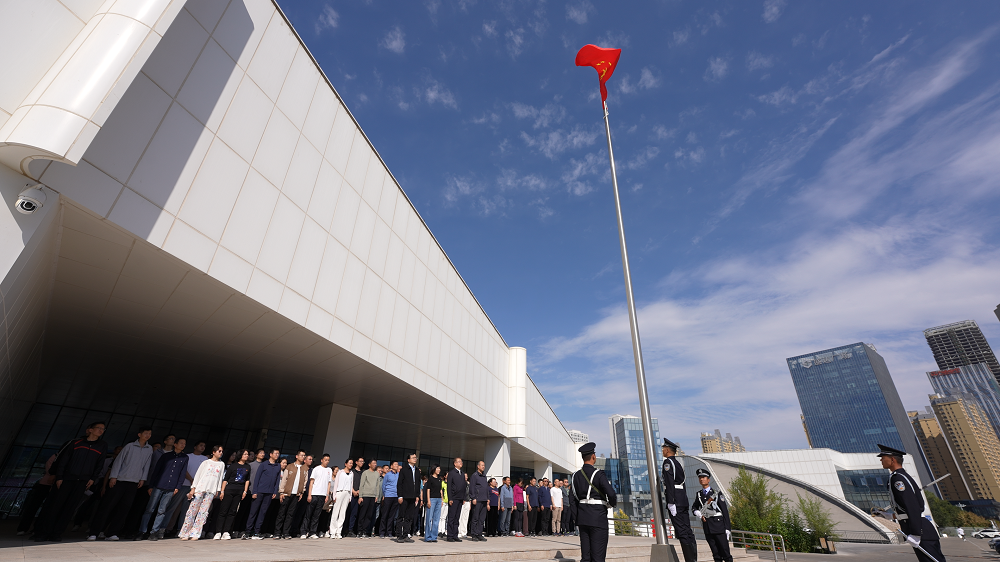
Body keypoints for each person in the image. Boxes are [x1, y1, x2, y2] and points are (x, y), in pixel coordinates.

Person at [33, 421, 109, 542]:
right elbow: (63, 460)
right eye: (98, 428)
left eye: (103, 429)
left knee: (69, 508)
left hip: (83, 481)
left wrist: (93, 478)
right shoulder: (75, 443)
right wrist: (59, 477)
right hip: (67, 479)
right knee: (55, 506)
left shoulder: (102, 445)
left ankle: (56, 533)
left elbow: (99, 463)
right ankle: (43, 532)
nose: (101, 430)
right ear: (90, 430)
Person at [879, 443, 946, 562]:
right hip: (920, 529)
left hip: (921, 531)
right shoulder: (900, 476)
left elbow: (912, 505)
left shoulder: (898, 479)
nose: (881, 460)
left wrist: (916, 533)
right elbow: (907, 507)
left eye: (883, 458)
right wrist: (891, 516)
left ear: (892, 459)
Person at [87, 427, 153, 541]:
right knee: (107, 506)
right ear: (139, 434)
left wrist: (143, 479)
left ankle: (112, 533)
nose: (148, 435)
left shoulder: (149, 449)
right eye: (146, 433)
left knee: (124, 509)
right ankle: (94, 532)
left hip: (134, 483)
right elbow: (119, 461)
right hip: (119, 480)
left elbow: (147, 465)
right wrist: (113, 477)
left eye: (150, 434)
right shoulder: (130, 446)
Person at [569, 442, 617, 562]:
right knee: (598, 557)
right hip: (598, 518)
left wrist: (577, 518)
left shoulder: (575, 476)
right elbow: (611, 493)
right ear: (593, 457)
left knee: (586, 557)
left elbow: (572, 500)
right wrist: (611, 503)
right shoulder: (599, 474)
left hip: (583, 519)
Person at [139, 437, 188, 541]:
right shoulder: (166, 456)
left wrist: (177, 487)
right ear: (175, 444)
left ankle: (154, 532)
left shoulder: (184, 457)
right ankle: (142, 531)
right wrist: (151, 485)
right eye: (181, 443)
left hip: (171, 488)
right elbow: (156, 471)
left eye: (184, 444)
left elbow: (182, 473)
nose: (183, 445)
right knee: (149, 509)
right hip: (158, 485)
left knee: (162, 511)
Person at [178, 445, 225, 540]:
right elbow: (198, 475)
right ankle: (185, 532)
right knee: (192, 510)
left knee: (203, 512)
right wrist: (193, 488)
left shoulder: (221, 464)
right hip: (200, 488)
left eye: (221, 451)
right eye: (219, 451)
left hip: (211, 490)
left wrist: (218, 490)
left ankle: (195, 533)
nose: (221, 453)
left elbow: (220, 478)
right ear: (213, 452)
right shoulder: (206, 462)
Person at [663, 438, 697, 562]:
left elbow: (669, 482)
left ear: (667, 450)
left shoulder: (667, 463)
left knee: (682, 532)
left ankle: (690, 560)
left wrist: (670, 501)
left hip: (675, 501)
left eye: (663, 449)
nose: (662, 451)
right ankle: (693, 558)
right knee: (688, 531)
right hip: (682, 499)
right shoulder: (678, 463)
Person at [166, 440, 207, 536]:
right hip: (184, 484)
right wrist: (192, 480)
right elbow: (184, 470)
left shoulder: (205, 459)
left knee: (187, 509)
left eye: (204, 446)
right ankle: (167, 528)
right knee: (174, 507)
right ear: (195, 447)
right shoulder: (187, 456)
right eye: (201, 445)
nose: (202, 447)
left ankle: (181, 529)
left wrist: (196, 483)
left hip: (196, 488)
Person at [691, 468, 733, 562]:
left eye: (704, 477)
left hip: (719, 527)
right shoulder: (699, 494)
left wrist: (727, 528)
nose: (702, 479)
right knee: (716, 554)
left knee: (725, 553)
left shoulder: (716, 493)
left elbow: (724, 511)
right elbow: (694, 507)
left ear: (708, 479)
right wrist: (697, 512)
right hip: (707, 527)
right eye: (700, 478)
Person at [214, 449, 251, 540]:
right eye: (245, 454)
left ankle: (226, 531)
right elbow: (225, 479)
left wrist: (245, 491)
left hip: (239, 491)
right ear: (240, 455)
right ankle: (218, 531)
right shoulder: (233, 466)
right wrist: (222, 491)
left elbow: (247, 480)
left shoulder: (248, 467)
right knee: (223, 511)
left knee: (232, 511)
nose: (247, 456)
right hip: (229, 489)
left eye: (247, 454)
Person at [16, 453, 56, 536]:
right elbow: (49, 470)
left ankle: (37, 528)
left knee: (46, 509)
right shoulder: (55, 456)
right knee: (33, 506)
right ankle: (23, 528)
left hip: (54, 485)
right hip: (45, 484)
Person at [245, 448, 281, 540]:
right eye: (275, 453)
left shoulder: (278, 466)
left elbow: (277, 480)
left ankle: (257, 532)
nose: (277, 455)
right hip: (259, 491)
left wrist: (274, 491)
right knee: (253, 511)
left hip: (269, 493)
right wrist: (255, 491)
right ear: (271, 454)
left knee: (262, 512)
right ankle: (247, 531)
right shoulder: (264, 465)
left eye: (278, 454)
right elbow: (257, 478)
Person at [273, 449, 308, 540]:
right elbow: (284, 479)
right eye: (301, 455)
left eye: (304, 455)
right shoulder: (290, 466)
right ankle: (277, 532)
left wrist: (302, 492)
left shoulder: (305, 468)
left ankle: (286, 532)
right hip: (286, 493)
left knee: (290, 514)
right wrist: (281, 492)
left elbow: (305, 481)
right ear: (296, 456)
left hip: (296, 495)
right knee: (282, 513)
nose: (303, 457)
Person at [303, 454, 333, 539]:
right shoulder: (316, 469)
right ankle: (304, 531)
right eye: (325, 460)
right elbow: (311, 482)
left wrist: (327, 495)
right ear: (321, 460)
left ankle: (313, 532)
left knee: (317, 515)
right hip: (314, 494)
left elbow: (329, 483)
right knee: (308, 514)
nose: (327, 461)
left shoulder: (329, 470)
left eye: (328, 460)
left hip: (323, 495)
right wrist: (309, 494)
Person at [395, 452, 422, 543]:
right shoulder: (404, 470)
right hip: (404, 496)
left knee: (409, 517)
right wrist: (400, 496)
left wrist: (417, 495)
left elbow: (418, 484)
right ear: (408, 460)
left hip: (413, 497)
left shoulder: (417, 470)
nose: (415, 459)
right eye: (413, 457)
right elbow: (400, 484)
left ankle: (406, 535)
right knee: (401, 516)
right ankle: (399, 535)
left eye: (416, 457)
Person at [330, 458, 354, 539]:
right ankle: (332, 531)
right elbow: (336, 483)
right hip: (339, 492)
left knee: (343, 513)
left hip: (347, 493)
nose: (351, 464)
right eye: (350, 463)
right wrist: (334, 495)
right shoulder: (340, 472)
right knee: (335, 512)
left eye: (352, 463)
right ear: (345, 464)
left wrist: (350, 496)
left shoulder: (351, 473)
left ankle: (338, 531)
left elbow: (351, 485)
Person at [358, 459, 381, 538]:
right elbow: (362, 484)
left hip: (373, 496)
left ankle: (365, 530)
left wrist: (377, 496)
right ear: (369, 464)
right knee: (362, 514)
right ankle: (359, 531)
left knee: (369, 515)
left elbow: (377, 486)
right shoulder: (365, 473)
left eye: (376, 463)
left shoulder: (377, 474)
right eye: (373, 463)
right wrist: (360, 496)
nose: (375, 464)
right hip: (365, 495)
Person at [446, 457, 466, 542]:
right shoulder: (451, 473)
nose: (460, 463)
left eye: (461, 461)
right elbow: (449, 487)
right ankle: (450, 535)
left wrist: (464, 497)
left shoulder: (462, 473)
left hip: (460, 498)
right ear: (455, 464)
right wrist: (450, 498)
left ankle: (455, 535)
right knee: (451, 517)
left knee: (457, 517)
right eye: (459, 462)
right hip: (453, 498)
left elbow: (464, 487)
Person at [468, 460, 489, 541]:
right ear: (478, 466)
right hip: (477, 500)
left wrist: (488, 498)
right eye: (482, 465)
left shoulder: (484, 476)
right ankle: (473, 534)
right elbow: (472, 487)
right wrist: (473, 498)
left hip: (484, 500)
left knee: (482, 518)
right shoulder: (475, 475)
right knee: (475, 517)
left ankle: (479, 533)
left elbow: (486, 488)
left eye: (484, 465)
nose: (483, 467)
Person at [379, 461, 399, 538]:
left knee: (392, 515)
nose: (396, 466)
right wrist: (385, 494)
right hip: (388, 496)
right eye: (395, 464)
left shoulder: (399, 475)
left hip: (396, 496)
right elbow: (384, 486)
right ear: (391, 466)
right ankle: (382, 532)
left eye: (397, 464)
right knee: (385, 514)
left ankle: (389, 532)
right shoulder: (387, 475)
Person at [424, 465, 443, 542]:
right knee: (429, 518)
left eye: (439, 468)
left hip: (438, 500)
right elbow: (428, 490)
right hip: (432, 499)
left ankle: (434, 536)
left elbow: (440, 490)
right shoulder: (430, 479)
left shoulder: (439, 479)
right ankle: (428, 537)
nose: (439, 470)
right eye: (437, 468)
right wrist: (428, 500)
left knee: (436, 519)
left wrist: (441, 500)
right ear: (434, 469)